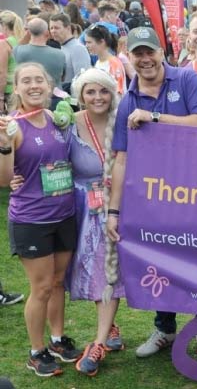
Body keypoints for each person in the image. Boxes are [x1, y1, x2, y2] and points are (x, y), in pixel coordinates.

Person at [106, 27, 197, 358]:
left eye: (149, 51)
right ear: (130, 57)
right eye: (137, 54)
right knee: (161, 261)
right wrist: (114, 211)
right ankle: (164, 328)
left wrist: (154, 117)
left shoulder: (185, 80)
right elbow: (121, 159)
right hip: (155, 198)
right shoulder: (129, 100)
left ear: (161, 52)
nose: (144, 59)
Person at [0, 63, 79, 377]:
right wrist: (5, 145)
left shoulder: (55, 118)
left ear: (50, 86)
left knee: (59, 283)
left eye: (39, 80)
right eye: (26, 81)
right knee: (42, 287)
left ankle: (58, 339)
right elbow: (5, 179)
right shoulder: (12, 126)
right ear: (17, 88)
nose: (34, 86)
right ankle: (36, 351)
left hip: (64, 214)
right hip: (32, 219)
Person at [48, 69, 124, 376]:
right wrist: (17, 177)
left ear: (112, 94)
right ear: (80, 95)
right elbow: (47, 157)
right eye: (91, 92)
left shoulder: (122, 122)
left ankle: (99, 341)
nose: (97, 98)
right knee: (86, 270)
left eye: (103, 91)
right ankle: (110, 324)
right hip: (79, 207)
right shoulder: (67, 124)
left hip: (116, 206)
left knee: (107, 273)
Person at [13, 19, 66, 86]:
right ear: (47, 33)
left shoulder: (18, 50)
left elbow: (19, 45)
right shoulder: (60, 54)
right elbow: (63, 78)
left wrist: (27, 36)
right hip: (54, 94)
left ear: (28, 33)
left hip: (28, 92)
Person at [49, 13, 92, 88]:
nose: (53, 31)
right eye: (51, 28)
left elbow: (82, 79)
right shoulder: (60, 47)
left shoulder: (78, 48)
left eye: (56, 28)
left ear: (68, 28)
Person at [84, 25, 126, 95]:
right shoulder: (98, 62)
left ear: (102, 42)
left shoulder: (114, 64)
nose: (86, 46)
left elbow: (119, 92)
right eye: (86, 42)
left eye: (89, 42)